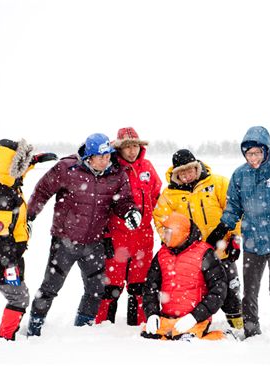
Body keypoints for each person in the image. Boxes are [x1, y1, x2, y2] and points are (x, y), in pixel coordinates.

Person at [26, 133, 142, 336]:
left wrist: (130, 212)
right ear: (89, 156)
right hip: (65, 240)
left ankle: (83, 328)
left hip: (94, 242)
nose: (106, 160)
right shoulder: (67, 169)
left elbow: (123, 200)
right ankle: (35, 326)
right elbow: (43, 190)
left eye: (108, 155)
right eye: (100, 156)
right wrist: (30, 214)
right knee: (51, 286)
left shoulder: (117, 173)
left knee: (96, 289)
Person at [207, 126, 270, 342]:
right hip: (252, 242)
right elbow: (233, 207)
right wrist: (222, 228)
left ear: (267, 150)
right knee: (249, 291)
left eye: (257, 153)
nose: (253, 158)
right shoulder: (240, 175)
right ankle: (251, 332)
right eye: (249, 153)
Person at [0, 139, 57, 340]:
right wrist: (10, 265)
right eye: (20, 162)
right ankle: (5, 339)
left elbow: (17, 171)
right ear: (10, 165)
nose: (23, 167)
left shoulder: (4, 179)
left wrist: (35, 160)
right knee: (19, 297)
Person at [152, 149, 244, 332]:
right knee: (193, 293)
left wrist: (235, 238)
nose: (187, 175)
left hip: (220, 249)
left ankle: (239, 327)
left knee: (230, 292)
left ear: (197, 166)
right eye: (182, 172)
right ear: (176, 173)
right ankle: (195, 322)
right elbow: (161, 221)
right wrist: (171, 243)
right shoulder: (169, 195)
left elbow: (234, 209)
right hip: (190, 259)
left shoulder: (217, 183)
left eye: (190, 170)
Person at [95, 127, 162, 326]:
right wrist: (105, 236)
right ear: (119, 149)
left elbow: (158, 198)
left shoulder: (147, 167)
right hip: (117, 236)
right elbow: (100, 207)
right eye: (127, 147)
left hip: (143, 236)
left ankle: (139, 326)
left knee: (140, 285)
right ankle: (103, 328)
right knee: (111, 286)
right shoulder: (111, 169)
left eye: (135, 146)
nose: (132, 151)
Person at [142, 212, 227, 340]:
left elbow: (219, 290)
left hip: (195, 320)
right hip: (167, 319)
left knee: (184, 339)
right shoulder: (161, 254)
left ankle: (218, 336)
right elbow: (150, 287)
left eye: (168, 232)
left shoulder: (205, 253)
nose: (164, 235)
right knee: (150, 335)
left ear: (180, 233)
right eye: (164, 231)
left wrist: (195, 316)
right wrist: (152, 314)